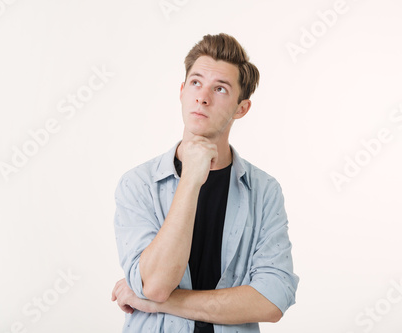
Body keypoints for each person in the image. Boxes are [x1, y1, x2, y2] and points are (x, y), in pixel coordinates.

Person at [111, 33, 299, 333]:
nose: (203, 97)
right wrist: (191, 179)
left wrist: (160, 303)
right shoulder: (138, 184)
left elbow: (271, 300)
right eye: (196, 83)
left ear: (241, 108)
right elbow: (156, 285)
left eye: (220, 89)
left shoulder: (264, 191)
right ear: (183, 91)